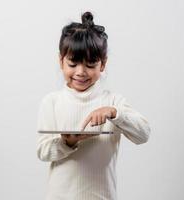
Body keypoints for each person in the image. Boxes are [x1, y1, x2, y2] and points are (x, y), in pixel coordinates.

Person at [36, 11, 151, 200]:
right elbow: (43, 152)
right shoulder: (52, 102)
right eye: (72, 64)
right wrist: (68, 142)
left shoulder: (114, 102)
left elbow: (143, 134)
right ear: (61, 61)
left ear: (103, 64)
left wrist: (115, 113)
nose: (81, 72)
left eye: (90, 64)